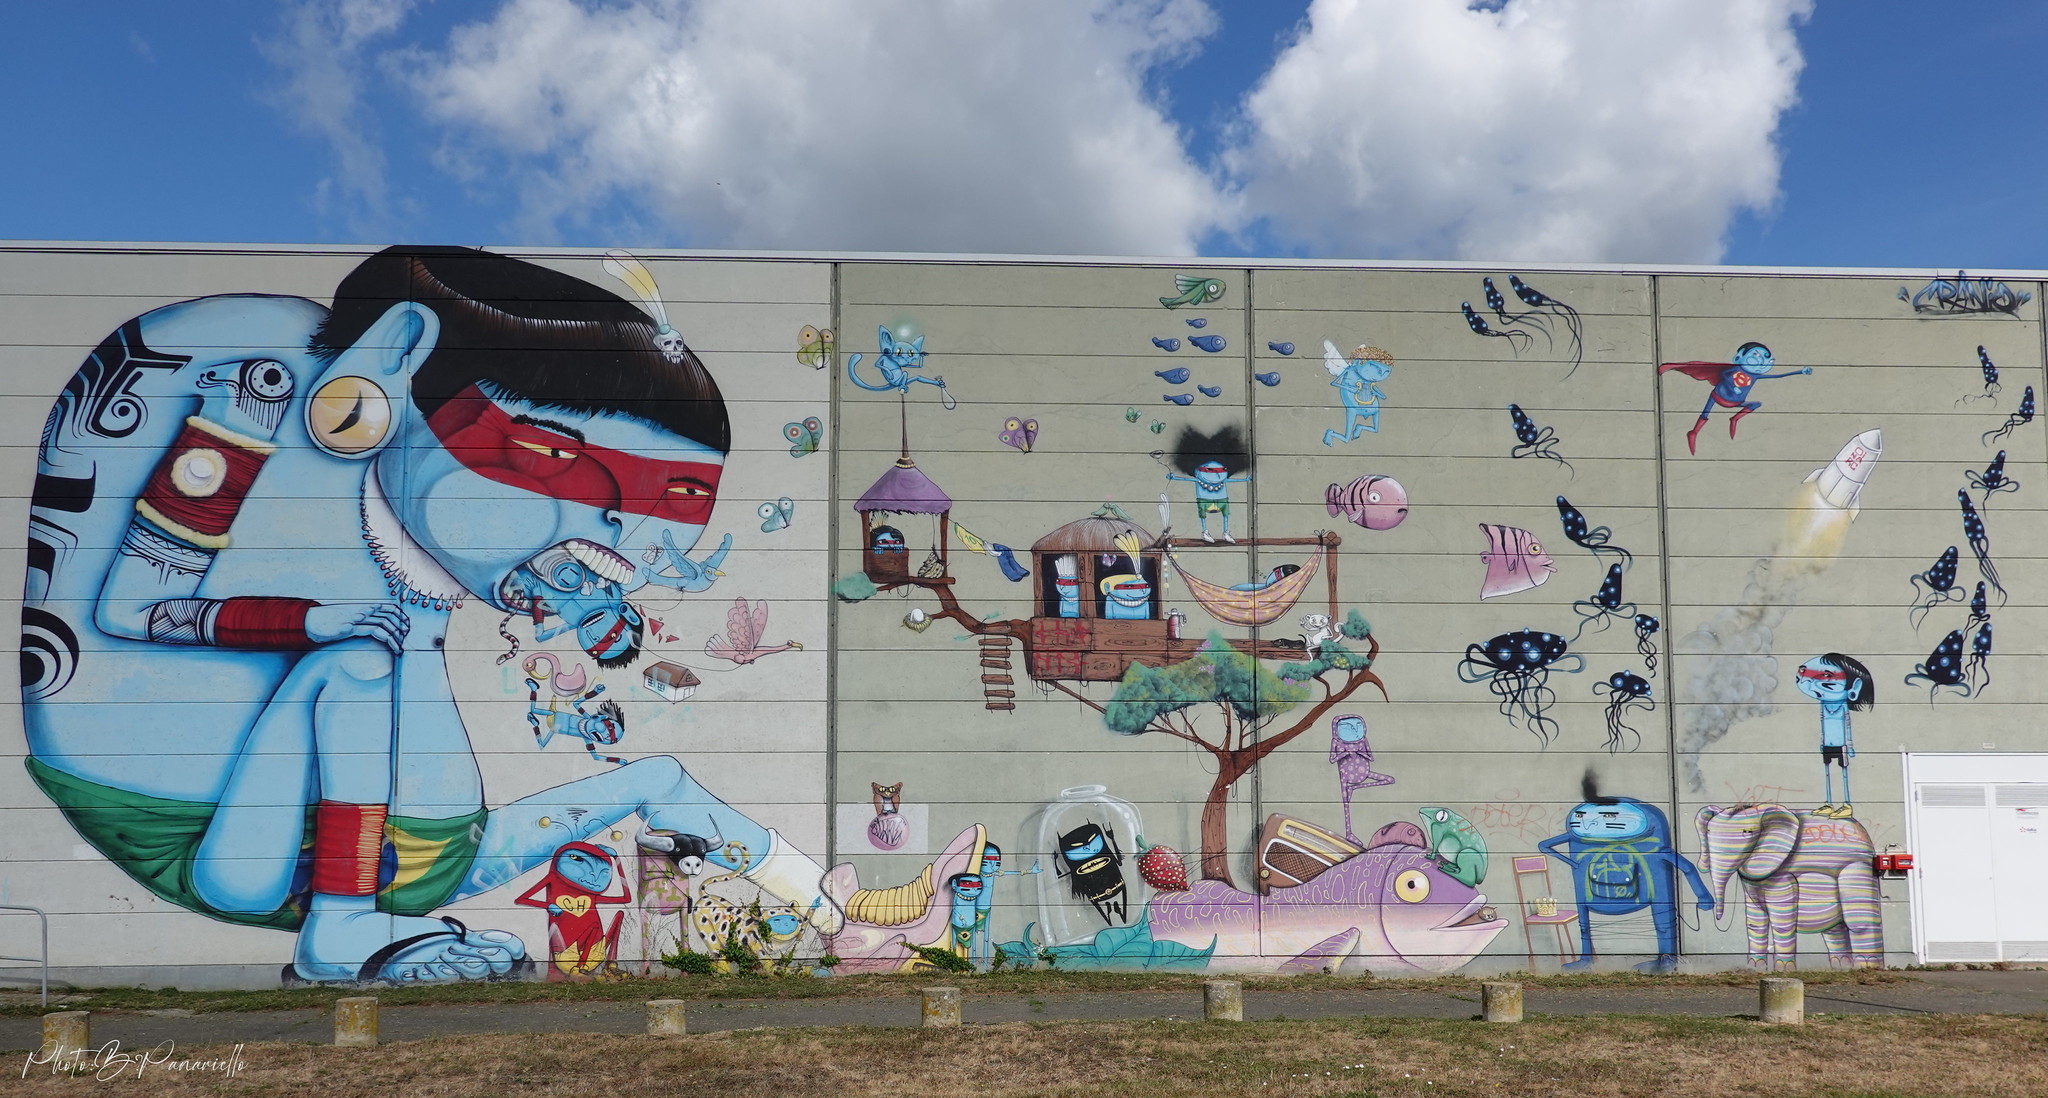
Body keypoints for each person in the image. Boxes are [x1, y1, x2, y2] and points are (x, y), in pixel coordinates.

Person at [22, 246, 835, 984]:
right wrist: (308, 622)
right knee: (359, 662)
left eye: (674, 502)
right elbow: (128, 608)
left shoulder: (431, 567)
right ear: (393, 359)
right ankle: (340, 931)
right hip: (215, 840)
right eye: (556, 457)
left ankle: (836, 912)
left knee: (658, 779)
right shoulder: (251, 406)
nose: (603, 540)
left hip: (417, 855)